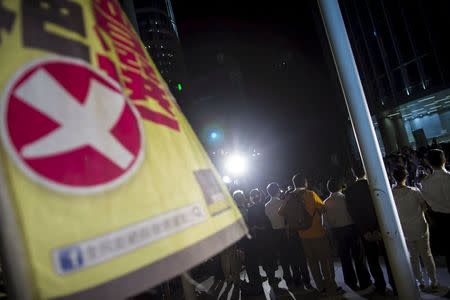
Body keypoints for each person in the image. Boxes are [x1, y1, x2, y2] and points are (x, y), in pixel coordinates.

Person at [280, 174, 341, 296]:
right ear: (305, 182)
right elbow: (323, 209)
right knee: (325, 261)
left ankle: (320, 287)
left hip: (302, 235)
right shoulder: (310, 194)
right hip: (318, 233)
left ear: (294, 184)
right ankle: (330, 286)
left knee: (312, 263)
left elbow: (281, 212)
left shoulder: (290, 196)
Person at [345, 164, 397, 295]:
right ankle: (396, 283)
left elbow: (353, 213)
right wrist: (380, 227)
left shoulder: (350, 190)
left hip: (365, 230)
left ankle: (380, 285)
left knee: (372, 259)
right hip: (381, 226)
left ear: (353, 172)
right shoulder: (374, 185)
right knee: (389, 257)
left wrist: (364, 230)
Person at [391, 167, 439, 291]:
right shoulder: (414, 191)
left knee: (412, 257)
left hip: (404, 230)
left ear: (393, 177)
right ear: (406, 177)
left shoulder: (391, 194)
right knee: (427, 255)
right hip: (420, 226)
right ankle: (433, 281)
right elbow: (424, 206)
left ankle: (420, 281)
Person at [323, 178, 372, 291]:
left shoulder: (326, 202)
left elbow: (325, 223)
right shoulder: (346, 198)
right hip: (351, 228)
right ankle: (365, 281)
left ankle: (351, 282)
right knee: (358, 257)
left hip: (337, 232)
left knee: (345, 259)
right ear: (340, 187)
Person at [421, 149, 450, 276]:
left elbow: (428, 203)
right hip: (442, 218)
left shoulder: (425, 183)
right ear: (444, 160)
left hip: (441, 220)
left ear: (428, 163)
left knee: (449, 253)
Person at [242, 188, 272, 296]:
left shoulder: (250, 209)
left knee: (264, 257)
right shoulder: (264, 206)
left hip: (258, 237)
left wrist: (256, 228)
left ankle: (270, 277)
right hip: (266, 235)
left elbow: (251, 224)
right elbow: (269, 221)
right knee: (268, 256)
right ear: (259, 196)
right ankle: (271, 277)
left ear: (251, 198)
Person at [264, 183, 293, 293]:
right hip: (283, 231)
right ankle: (288, 277)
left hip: (273, 233)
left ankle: (279, 278)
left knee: (279, 256)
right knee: (286, 256)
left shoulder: (266, 206)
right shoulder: (282, 203)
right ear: (277, 191)